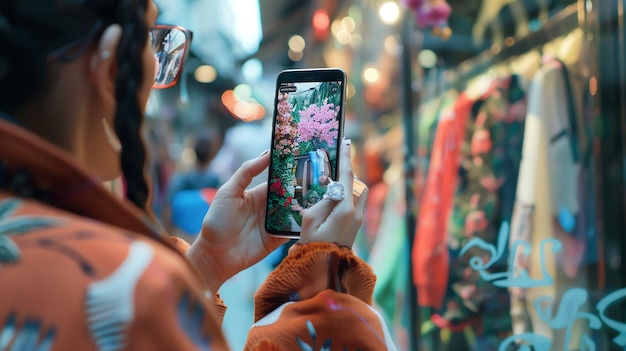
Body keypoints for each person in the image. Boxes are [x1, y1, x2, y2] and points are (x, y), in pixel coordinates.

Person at [0, 1, 396, 351]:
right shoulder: (119, 286)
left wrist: (205, 264)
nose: (158, 69)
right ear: (108, 65)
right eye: (154, 40)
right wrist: (323, 290)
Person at [164, 130, 221, 241]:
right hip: (207, 243)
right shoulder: (220, 185)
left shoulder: (178, 182)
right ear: (213, 153)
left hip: (180, 242)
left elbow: (167, 217)